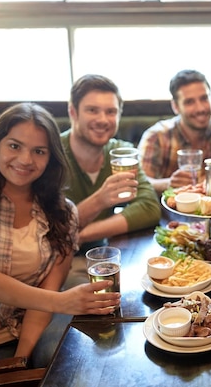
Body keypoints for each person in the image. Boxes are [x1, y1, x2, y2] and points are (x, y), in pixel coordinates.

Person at [0, 103, 120, 366]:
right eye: (14, 146)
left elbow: (46, 296)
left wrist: (22, 358)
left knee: (97, 359)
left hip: (41, 327)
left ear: (50, 158)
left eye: (39, 151)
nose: (25, 160)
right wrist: (62, 301)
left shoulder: (63, 212)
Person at [61, 74, 161, 286]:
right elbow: (53, 232)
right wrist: (100, 200)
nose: (103, 120)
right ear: (73, 112)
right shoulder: (50, 154)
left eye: (111, 112)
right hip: (56, 264)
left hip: (103, 258)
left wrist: (82, 235)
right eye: (92, 110)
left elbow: (149, 207)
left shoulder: (120, 152)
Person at [138, 69, 211, 192]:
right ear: (175, 106)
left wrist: (189, 184)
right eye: (189, 102)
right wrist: (169, 183)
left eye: (204, 98)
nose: (200, 108)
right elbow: (143, 182)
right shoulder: (156, 136)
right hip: (169, 209)